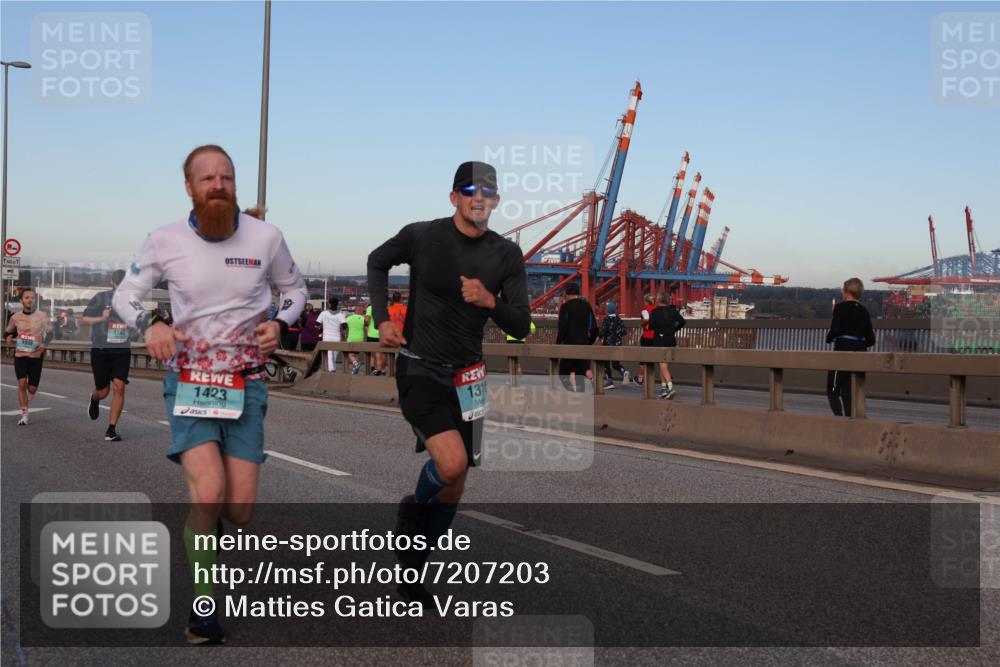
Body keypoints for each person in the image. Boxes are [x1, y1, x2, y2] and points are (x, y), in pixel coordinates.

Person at [113, 144, 306, 645]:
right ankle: (204, 610)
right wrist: (151, 322)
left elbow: (295, 290)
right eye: (207, 179)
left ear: (235, 183)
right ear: (189, 188)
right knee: (209, 493)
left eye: (226, 177)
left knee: (238, 511)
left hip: (247, 383)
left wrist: (280, 323)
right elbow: (125, 294)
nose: (217, 185)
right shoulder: (165, 239)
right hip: (190, 381)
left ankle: (206, 535)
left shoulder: (267, 237)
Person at [367, 160, 530, 606]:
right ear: (454, 196)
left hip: (469, 379)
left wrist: (490, 299)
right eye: (469, 190)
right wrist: (382, 320)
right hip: (419, 368)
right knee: (452, 464)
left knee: (455, 484)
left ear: (496, 201)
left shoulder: (506, 255)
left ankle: (413, 570)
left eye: (488, 192)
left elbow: (521, 326)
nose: (479, 198)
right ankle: (412, 509)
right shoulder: (423, 236)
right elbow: (378, 262)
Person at [80, 269, 131, 441]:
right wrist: (101, 318)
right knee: (103, 392)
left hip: (122, 351)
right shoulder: (101, 298)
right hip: (101, 350)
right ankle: (94, 398)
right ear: (112, 282)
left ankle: (111, 429)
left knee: (119, 386)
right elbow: (84, 319)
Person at [825, 277, 876, 416]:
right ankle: (848, 422)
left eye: (843, 290)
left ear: (847, 292)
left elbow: (835, 330)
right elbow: (871, 340)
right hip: (859, 354)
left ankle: (839, 419)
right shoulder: (864, 311)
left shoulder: (840, 308)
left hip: (842, 352)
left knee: (833, 389)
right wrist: (858, 344)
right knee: (849, 392)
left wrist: (828, 339)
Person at [5, 288, 52, 425]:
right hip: (20, 355)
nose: (29, 300)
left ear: (35, 300)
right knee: (21, 384)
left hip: (36, 356)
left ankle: (30, 393)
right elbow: (8, 332)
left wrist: (44, 345)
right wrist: (9, 336)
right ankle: (24, 414)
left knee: (32, 388)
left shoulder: (42, 316)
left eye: (32, 297)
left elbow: (50, 333)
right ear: (21, 301)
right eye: (26, 297)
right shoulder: (15, 317)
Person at [556, 282, 598, 392]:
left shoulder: (565, 307)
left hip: (569, 346)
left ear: (567, 293)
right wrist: (589, 342)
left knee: (563, 374)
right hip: (583, 346)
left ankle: (571, 392)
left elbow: (563, 328)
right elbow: (594, 328)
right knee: (580, 377)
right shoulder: (586, 306)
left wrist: (558, 343)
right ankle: (580, 398)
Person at [647, 292, 685, 399]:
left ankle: (671, 388)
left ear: (658, 301)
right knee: (663, 365)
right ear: (668, 301)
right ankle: (663, 389)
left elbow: (651, 326)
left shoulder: (655, 312)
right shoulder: (673, 311)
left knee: (662, 365)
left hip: (659, 341)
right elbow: (682, 321)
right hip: (670, 340)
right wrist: (674, 329)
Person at [598, 302, 627, 389]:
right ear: (615, 311)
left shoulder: (606, 319)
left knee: (606, 363)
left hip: (607, 344)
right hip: (618, 344)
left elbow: (603, 331)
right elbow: (624, 332)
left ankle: (610, 381)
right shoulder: (619, 319)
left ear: (607, 311)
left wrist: (599, 337)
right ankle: (623, 371)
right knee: (615, 364)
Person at [316, 297, 347, 371]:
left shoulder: (323, 313)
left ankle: (332, 369)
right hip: (337, 337)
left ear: (329, 304)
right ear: (337, 304)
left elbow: (317, 324)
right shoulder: (340, 314)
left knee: (329, 354)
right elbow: (345, 326)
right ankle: (332, 368)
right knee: (334, 356)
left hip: (327, 337)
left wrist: (321, 331)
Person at [634, 293, 656, 385]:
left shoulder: (645, 310)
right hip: (656, 336)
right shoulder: (657, 309)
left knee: (643, 359)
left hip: (647, 336)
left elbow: (646, 319)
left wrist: (642, 325)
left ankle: (640, 379)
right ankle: (666, 377)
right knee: (656, 357)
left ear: (646, 301)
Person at [364, 302, 387, 375]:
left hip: (372, 334)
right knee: (380, 353)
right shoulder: (383, 309)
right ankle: (381, 369)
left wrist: (366, 326)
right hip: (381, 334)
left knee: (372, 354)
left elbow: (367, 319)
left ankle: (374, 368)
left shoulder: (370, 308)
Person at [344, 303, 367, 374]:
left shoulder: (349, 318)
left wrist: (344, 335)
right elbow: (366, 329)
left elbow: (344, 327)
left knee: (350, 354)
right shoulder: (363, 319)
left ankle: (356, 364)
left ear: (355, 311)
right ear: (360, 311)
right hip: (360, 339)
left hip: (351, 339)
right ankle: (355, 369)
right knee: (356, 354)